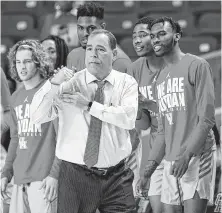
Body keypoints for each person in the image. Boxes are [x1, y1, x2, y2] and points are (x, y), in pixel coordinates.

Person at [30, 29, 138, 213]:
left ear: (114, 54)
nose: (93, 54)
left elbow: (127, 119)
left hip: (117, 176)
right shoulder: (69, 83)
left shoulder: (126, 83)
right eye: (89, 48)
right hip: (75, 176)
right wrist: (53, 84)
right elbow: (37, 117)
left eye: (100, 49)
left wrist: (89, 105)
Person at [138, 17, 216, 213]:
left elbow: (206, 119)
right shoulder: (161, 78)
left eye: (162, 34)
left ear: (177, 36)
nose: (156, 40)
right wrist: (148, 170)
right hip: (171, 159)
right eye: (153, 36)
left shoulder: (197, 65)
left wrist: (187, 155)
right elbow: (163, 130)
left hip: (198, 154)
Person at [0, 40, 60, 213]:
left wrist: (54, 175)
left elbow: (63, 139)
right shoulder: (16, 97)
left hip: (44, 181)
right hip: (19, 180)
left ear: (38, 62)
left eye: (27, 61)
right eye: (18, 62)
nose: (22, 67)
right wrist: (6, 172)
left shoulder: (50, 92)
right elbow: (15, 139)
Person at [127, 16, 165, 213]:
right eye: (134, 36)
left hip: (182, 145)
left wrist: (148, 102)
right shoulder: (135, 70)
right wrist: (137, 109)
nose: (137, 41)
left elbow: (181, 115)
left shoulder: (174, 65)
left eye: (143, 35)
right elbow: (144, 125)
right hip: (156, 148)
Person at [67, 1, 132, 73]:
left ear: (102, 27)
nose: (85, 33)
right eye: (81, 28)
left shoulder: (120, 62)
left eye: (91, 28)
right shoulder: (73, 56)